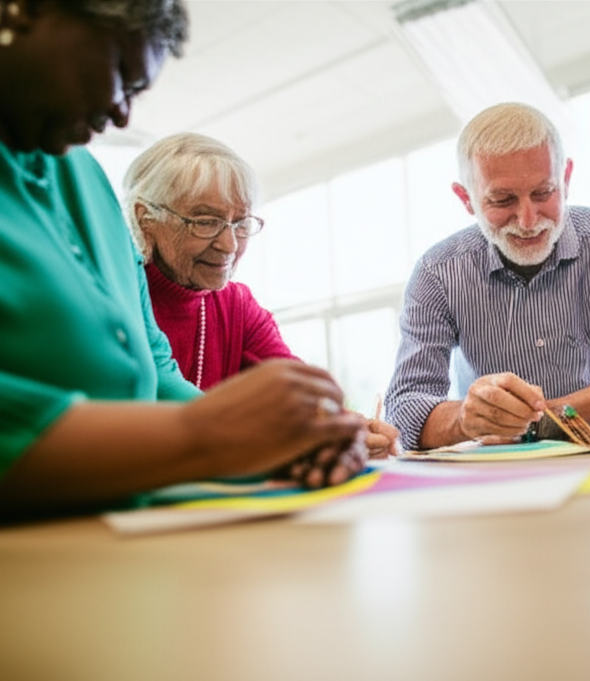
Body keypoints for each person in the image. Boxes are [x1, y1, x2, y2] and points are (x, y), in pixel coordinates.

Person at [0, 0, 367, 519]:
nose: (121, 114)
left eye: (136, 91)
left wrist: (291, 440)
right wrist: (210, 434)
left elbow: (154, 370)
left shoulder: (86, 178)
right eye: (120, 70)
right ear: (24, 10)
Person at [385, 102, 590, 450]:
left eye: (544, 193)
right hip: (493, 468)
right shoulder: (437, 273)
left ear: (566, 179)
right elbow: (404, 408)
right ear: (466, 198)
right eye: (502, 200)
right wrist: (463, 421)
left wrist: (540, 419)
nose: (528, 221)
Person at [123, 132, 400, 458]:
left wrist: (346, 428)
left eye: (240, 223)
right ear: (146, 218)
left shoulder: (237, 304)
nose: (229, 245)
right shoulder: (116, 294)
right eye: (206, 221)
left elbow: (296, 391)